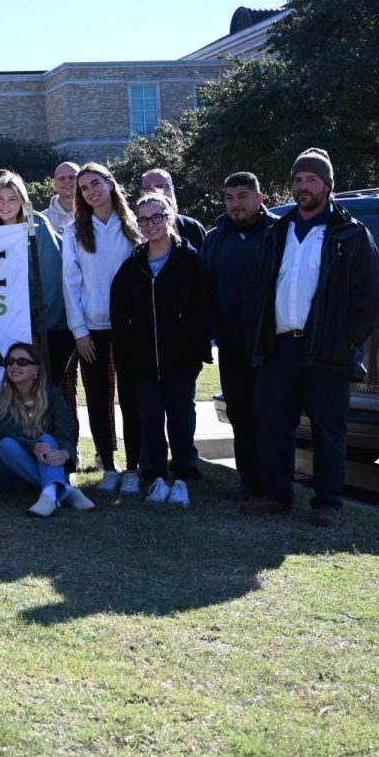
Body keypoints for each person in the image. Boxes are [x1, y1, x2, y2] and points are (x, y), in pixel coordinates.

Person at [243, 149, 379, 528]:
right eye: (298, 180)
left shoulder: (351, 234)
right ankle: (276, 496)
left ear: (327, 186)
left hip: (327, 350)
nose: (303, 187)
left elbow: (371, 301)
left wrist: (346, 340)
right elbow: (259, 289)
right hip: (279, 347)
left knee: (328, 431)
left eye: (311, 180)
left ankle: (327, 504)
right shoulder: (276, 230)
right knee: (273, 424)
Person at [110, 193, 212, 508]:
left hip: (180, 362)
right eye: (143, 219)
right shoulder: (132, 267)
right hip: (142, 364)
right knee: (151, 421)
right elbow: (119, 316)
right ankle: (157, 478)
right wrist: (128, 354)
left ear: (169, 216)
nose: (150, 224)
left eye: (156, 217)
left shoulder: (191, 263)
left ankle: (180, 479)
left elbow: (203, 310)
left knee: (180, 419)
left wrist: (194, 351)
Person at [61, 162, 143, 495]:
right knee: (97, 397)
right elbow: (71, 282)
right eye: (84, 188)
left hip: (130, 327)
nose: (91, 191)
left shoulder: (133, 225)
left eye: (96, 183)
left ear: (110, 184)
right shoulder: (74, 230)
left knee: (132, 396)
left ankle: (134, 467)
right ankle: (109, 465)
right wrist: (79, 330)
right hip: (92, 328)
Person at [201, 172, 277, 500]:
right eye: (230, 198)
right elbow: (205, 292)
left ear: (260, 199)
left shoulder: (279, 232)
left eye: (243, 196)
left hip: (274, 345)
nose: (236, 204)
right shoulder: (215, 239)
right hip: (232, 348)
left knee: (272, 417)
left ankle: (275, 485)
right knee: (242, 417)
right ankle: (249, 484)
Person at [0, 340, 95, 516]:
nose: (14, 366)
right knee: (6, 444)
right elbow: (7, 433)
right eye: (10, 361)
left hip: (41, 468)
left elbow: (65, 433)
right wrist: (34, 446)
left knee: (48, 439)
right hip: (9, 473)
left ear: (36, 370)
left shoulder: (52, 396)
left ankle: (49, 494)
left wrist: (65, 453)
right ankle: (67, 490)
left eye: (22, 362)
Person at [0, 173, 67, 379]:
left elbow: (51, 282)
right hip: (7, 329)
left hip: (46, 329)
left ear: (22, 201)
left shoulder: (37, 227)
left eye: (12, 199)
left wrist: (40, 329)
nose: (6, 205)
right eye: (0, 199)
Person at [140, 168, 208, 254]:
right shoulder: (134, 233)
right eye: (148, 188)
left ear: (172, 189)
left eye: (161, 186)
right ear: (141, 193)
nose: (155, 192)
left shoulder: (193, 228)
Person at [46, 161, 80, 236]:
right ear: (54, 183)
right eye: (61, 178)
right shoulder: (44, 220)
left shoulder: (95, 213)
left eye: (72, 177)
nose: (67, 181)